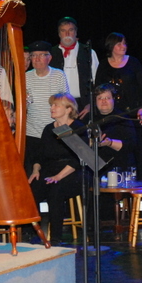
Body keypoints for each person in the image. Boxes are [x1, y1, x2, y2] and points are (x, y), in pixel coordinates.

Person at [28, 93, 86, 246]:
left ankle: (55, 237)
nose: (52, 108)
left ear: (68, 109)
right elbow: (39, 155)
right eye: (51, 105)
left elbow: (78, 159)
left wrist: (59, 176)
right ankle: (33, 232)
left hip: (72, 171)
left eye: (56, 105)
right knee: (32, 189)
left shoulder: (78, 127)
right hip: (50, 169)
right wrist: (35, 170)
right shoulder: (49, 129)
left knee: (56, 190)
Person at [95, 32, 142, 176]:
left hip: (131, 112)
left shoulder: (134, 62)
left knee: (134, 146)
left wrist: (141, 109)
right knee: (110, 144)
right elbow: (98, 88)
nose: (123, 46)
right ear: (111, 46)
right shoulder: (104, 64)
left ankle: (139, 179)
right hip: (110, 113)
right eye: (119, 44)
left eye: (124, 43)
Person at [25, 40, 68, 168]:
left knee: (52, 169)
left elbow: (67, 103)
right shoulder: (25, 77)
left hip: (55, 131)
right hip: (32, 132)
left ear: (49, 58)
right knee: (32, 169)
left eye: (41, 55)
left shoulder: (59, 75)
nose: (37, 59)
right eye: (33, 55)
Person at [49, 17, 99, 118]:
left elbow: (97, 81)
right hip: (59, 104)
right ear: (59, 34)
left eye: (70, 30)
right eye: (63, 31)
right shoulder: (51, 53)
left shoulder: (88, 52)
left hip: (84, 106)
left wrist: (91, 103)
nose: (67, 34)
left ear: (76, 32)